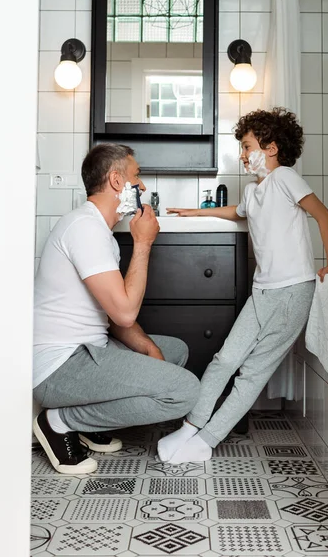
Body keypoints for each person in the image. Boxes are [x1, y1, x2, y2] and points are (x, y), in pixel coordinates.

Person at [158, 107, 328, 464]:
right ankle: (191, 426)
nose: (242, 155)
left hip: (292, 291)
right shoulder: (254, 190)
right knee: (224, 359)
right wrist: (194, 213)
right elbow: (236, 212)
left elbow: (322, 214)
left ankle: (205, 441)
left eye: (246, 146)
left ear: (270, 148)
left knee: (252, 373)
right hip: (262, 292)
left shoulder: (285, 177)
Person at [33, 143, 200, 475]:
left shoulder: (99, 232)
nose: (143, 187)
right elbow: (124, 314)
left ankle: (89, 423)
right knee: (185, 390)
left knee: (173, 351)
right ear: (115, 180)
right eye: (136, 178)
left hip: (90, 350)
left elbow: (112, 315)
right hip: (59, 366)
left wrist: (150, 347)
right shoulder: (85, 228)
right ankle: (59, 421)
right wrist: (143, 243)